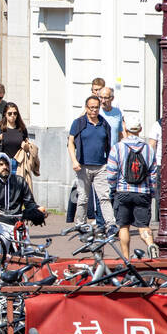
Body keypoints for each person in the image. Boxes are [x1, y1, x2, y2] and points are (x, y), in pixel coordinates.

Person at [104, 116, 158, 258]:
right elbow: (153, 173)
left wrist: (113, 188)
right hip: (143, 192)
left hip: (123, 191)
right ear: (140, 130)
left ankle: (126, 257)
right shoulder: (148, 149)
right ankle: (150, 244)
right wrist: (151, 192)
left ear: (125, 129)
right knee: (143, 225)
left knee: (123, 226)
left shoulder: (117, 148)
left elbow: (111, 173)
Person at [0, 152, 47, 250]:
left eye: (6, 164)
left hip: (16, 223)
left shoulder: (20, 182)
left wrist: (38, 210)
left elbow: (29, 203)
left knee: (27, 248)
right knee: (4, 239)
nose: (5, 167)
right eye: (1, 165)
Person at [67, 94, 116, 231]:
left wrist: (109, 163)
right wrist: (74, 161)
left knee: (104, 196)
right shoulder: (79, 123)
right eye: (91, 108)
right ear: (86, 108)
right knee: (82, 197)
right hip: (83, 166)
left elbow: (108, 144)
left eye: (96, 108)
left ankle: (110, 224)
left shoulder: (104, 123)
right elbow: (70, 142)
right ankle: (80, 224)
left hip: (101, 166)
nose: (94, 111)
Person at [0, 101, 28, 176]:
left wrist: (25, 146)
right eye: (10, 113)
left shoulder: (22, 129)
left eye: (15, 113)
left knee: (17, 187)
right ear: (5, 114)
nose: (13, 115)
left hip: (18, 164)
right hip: (3, 164)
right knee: (4, 187)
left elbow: (28, 148)